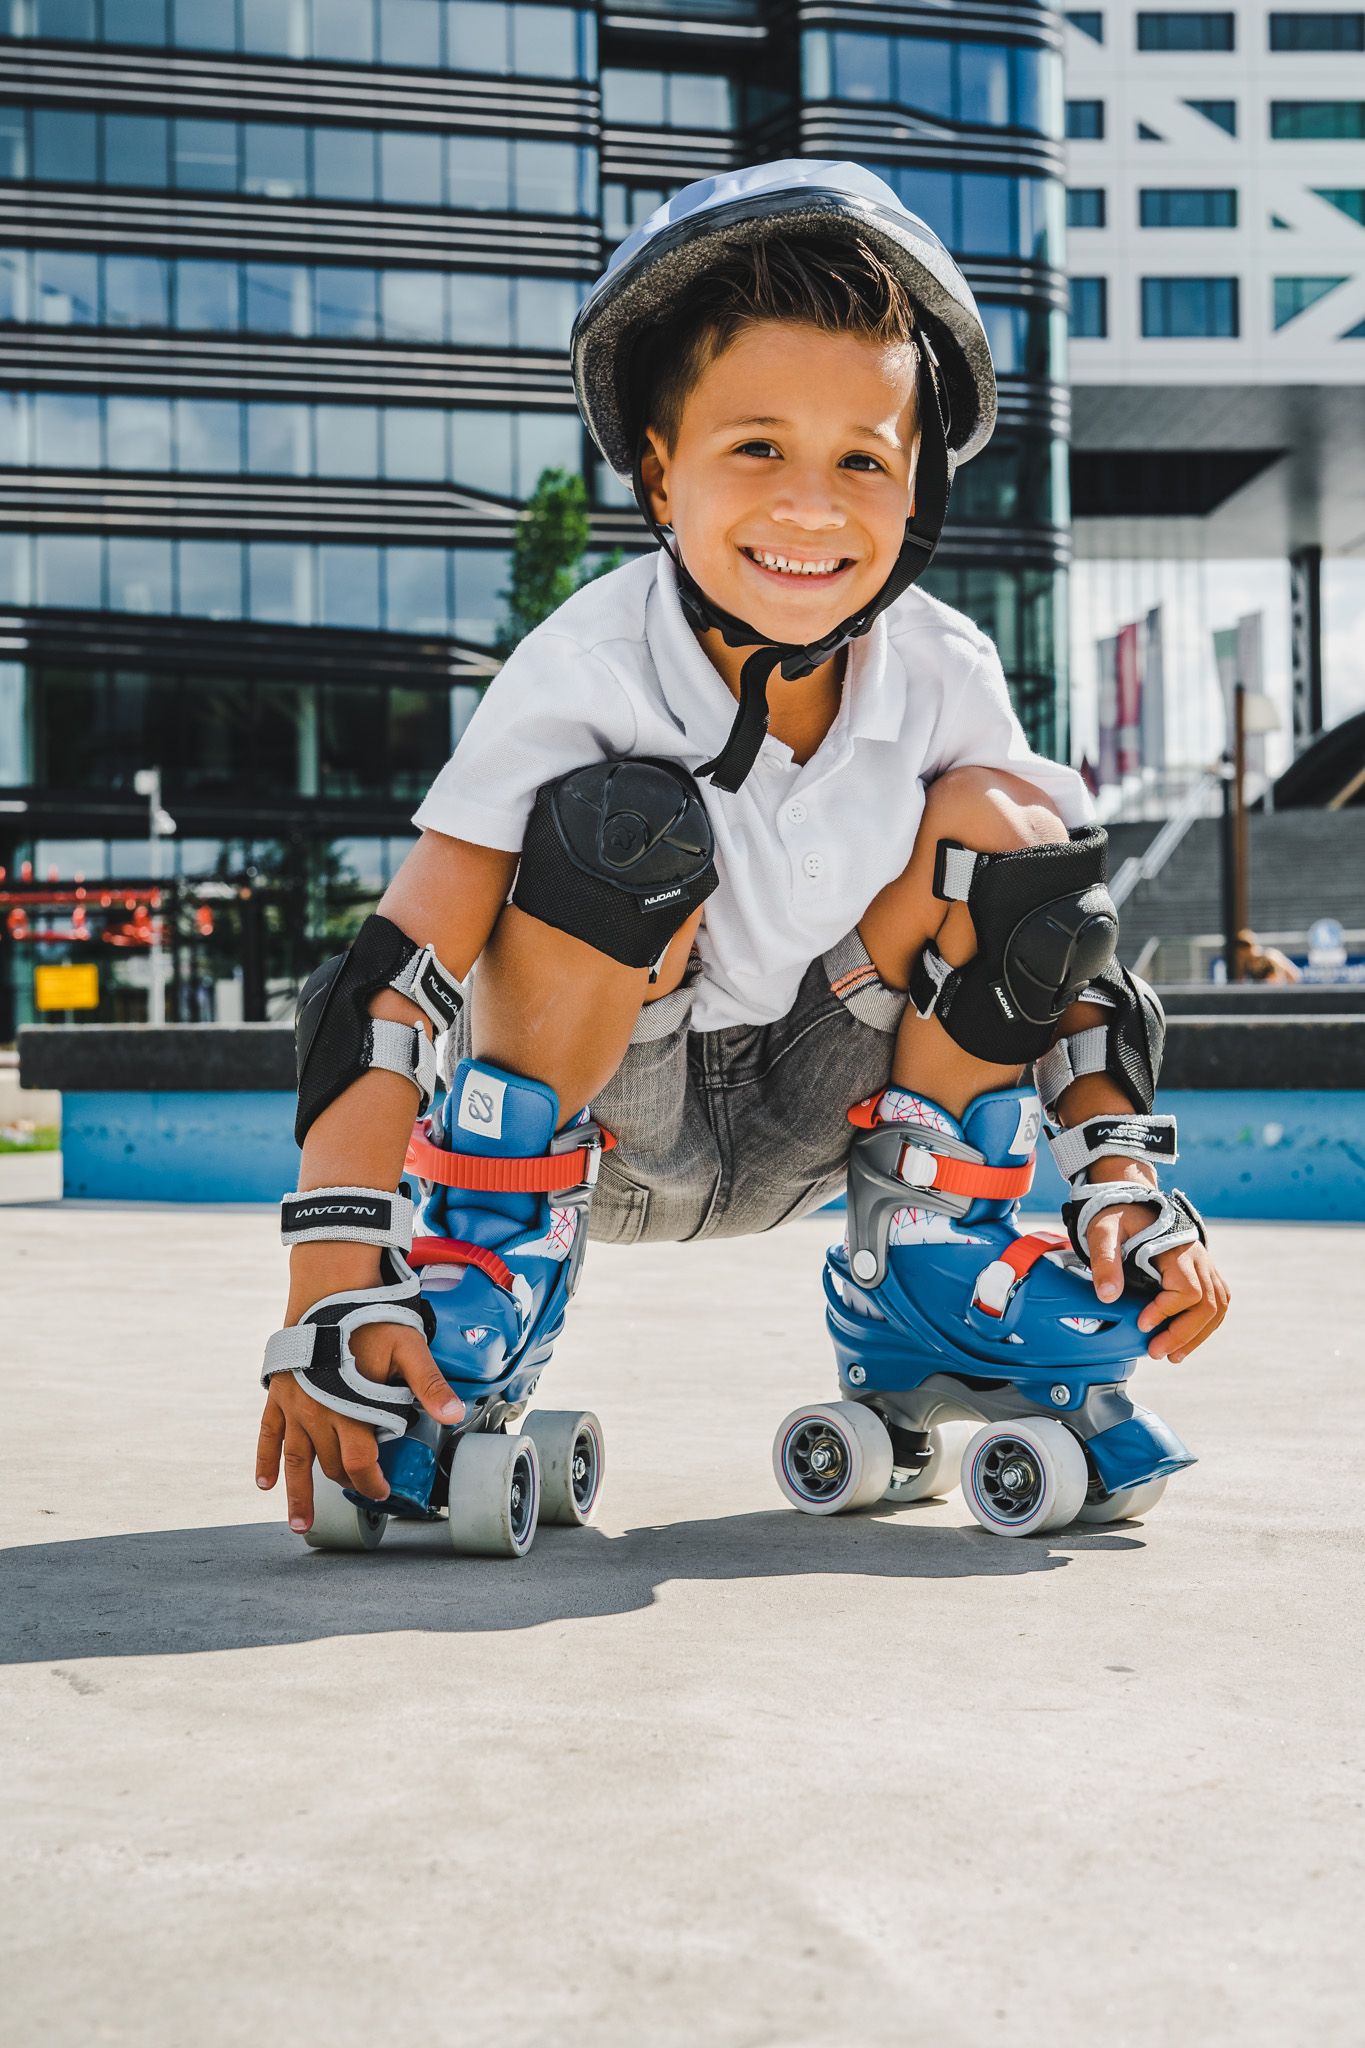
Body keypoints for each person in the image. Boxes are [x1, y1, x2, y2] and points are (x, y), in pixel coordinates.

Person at [255, 162, 1229, 1542]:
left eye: (860, 461)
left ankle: (925, 1266)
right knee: (618, 822)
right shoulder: (585, 665)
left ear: (919, 489)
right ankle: (481, 1261)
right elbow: (395, 975)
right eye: (756, 448)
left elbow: (1059, 955)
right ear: (660, 467)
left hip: (823, 1108)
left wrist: (1121, 1183)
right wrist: (331, 1271)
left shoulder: (942, 671)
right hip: (603, 1110)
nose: (811, 510)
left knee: (1015, 833)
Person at [1233, 929, 1302, 986]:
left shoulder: (1270, 956)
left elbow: (1294, 976)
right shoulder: (1247, 963)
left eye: (1240, 951)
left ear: (1246, 948)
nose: (1239, 955)